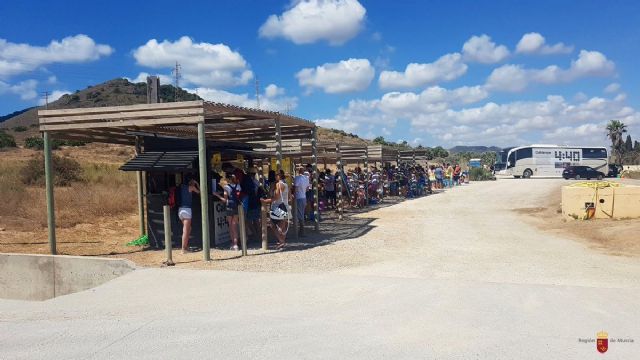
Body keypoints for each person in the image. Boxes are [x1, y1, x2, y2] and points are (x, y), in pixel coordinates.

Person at [262, 170, 289, 249]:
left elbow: (276, 197)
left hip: (277, 206)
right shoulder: (286, 184)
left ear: (278, 176)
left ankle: (281, 241)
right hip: (284, 205)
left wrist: (266, 201)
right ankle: (282, 241)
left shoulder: (278, 184)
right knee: (282, 225)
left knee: (273, 225)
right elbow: (290, 197)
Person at [214, 173, 241, 251]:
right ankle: (236, 245)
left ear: (228, 179)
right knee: (235, 226)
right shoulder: (238, 186)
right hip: (236, 206)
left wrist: (217, 195)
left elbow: (225, 200)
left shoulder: (226, 187)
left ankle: (233, 243)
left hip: (229, 207)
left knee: (230, 226)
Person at [178, 176, 200, 254]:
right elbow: (199, 192)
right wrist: (197, 183)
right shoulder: (191, 187)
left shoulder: (181, 187)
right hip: (187, 210)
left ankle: (186, 247)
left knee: (188, 229)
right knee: (186, 231)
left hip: (180, 210)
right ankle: (183, 249)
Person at [293, 167, 310, 236]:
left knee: (299, 214)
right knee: (302, 213)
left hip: (298, 197)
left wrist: (294, 194)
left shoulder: (297, 178)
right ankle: (301, 231)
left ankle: (301, 231)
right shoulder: (306, 178)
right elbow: (307, 189)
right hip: (304, 197)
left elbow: (296, 188)